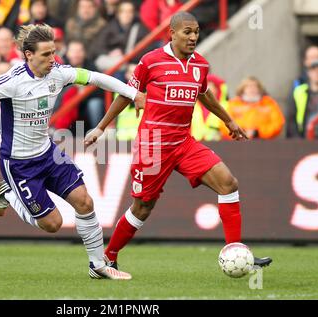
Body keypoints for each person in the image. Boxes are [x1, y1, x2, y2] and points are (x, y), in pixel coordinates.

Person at [0, 24, 145, 280]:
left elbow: (95, 77)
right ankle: (11, 194)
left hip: (47, 152)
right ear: (29, 55)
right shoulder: (12, 82)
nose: (53, 59)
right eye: (47, 55)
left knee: (85, 201)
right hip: (18, 163)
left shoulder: (58, 73)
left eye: (54, 52)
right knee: (53, 224)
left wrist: (133, 93)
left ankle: (97, 265)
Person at [85, 12, 272, 270]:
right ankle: (108, 257)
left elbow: (204, 94)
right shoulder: (151, 61)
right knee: (142, 207)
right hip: (152, 144)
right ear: (171, 33)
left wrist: (228, 120)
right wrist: (100, 127)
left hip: (183, 142)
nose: (193, 37)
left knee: (228, 184)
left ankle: (236, 251)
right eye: (187, 32)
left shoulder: (201, 65)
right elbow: (126, 94)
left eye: (196, 31)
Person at [219, 76, 285, 140]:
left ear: (260, 89)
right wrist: (240, 131)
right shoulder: (233, 104)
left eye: (255, 86)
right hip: (237, 143)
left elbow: (278, 124)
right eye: (248, 86)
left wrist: (258, 132)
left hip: (264, 144)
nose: (252, 89)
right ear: (243, 89)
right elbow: (224, 124)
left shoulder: (269, 103)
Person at [287, 59, 318, 138]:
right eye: (314, 70)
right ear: (308, 73)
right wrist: (297, 139)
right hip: (304, 137)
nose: (317, 73)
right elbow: (291, 117)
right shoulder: (299, 92)